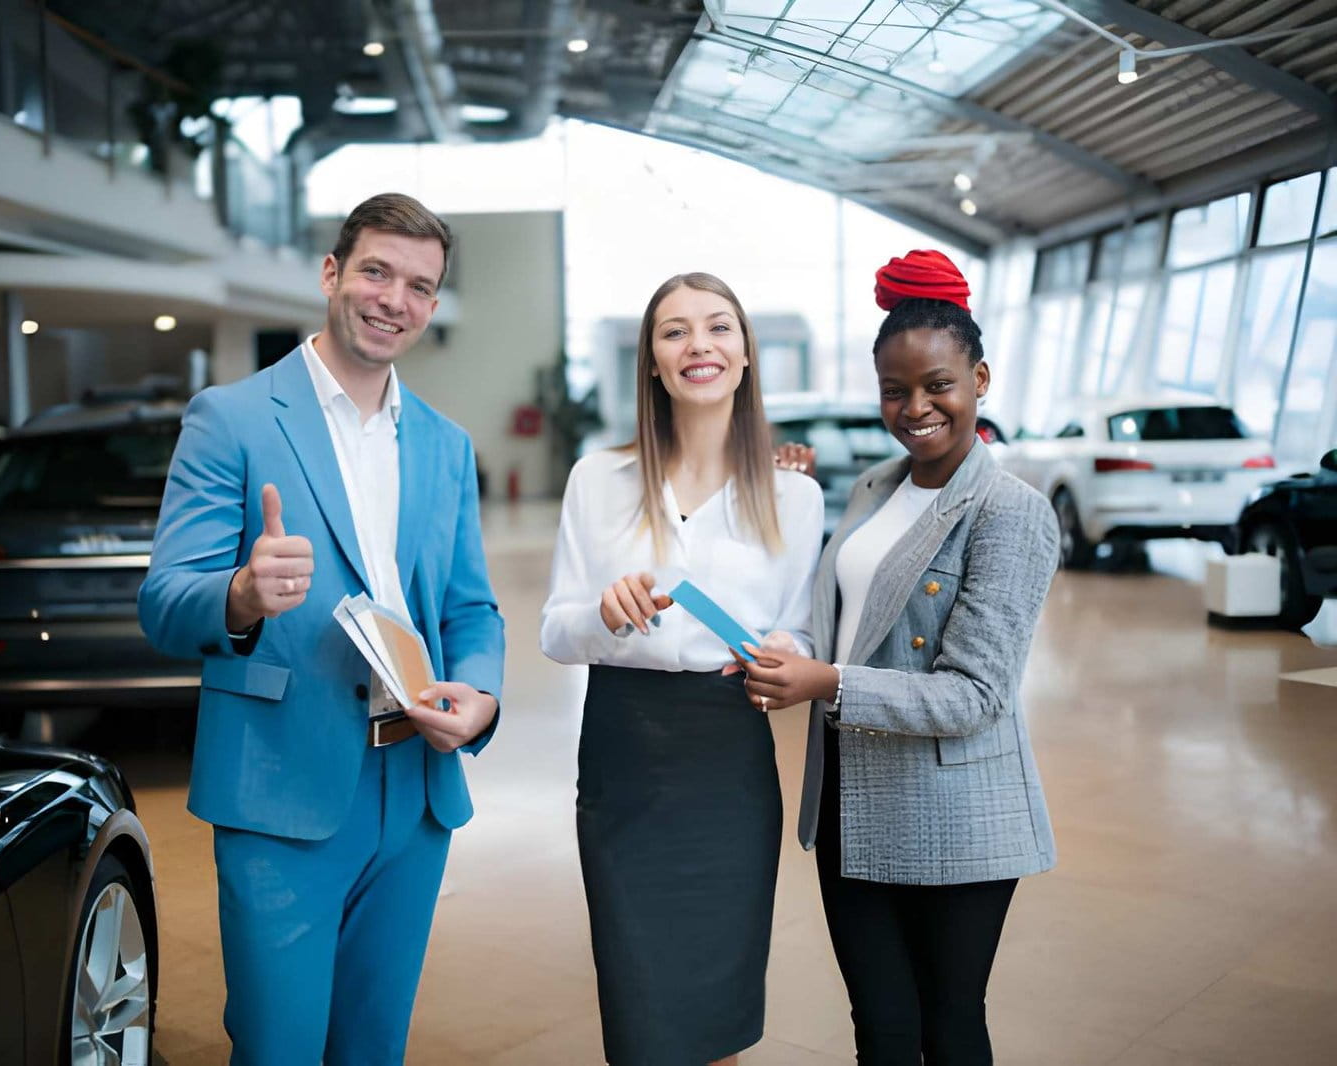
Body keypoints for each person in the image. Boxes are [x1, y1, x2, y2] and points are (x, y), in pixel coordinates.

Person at [138, 193, 504, 1066]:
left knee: (374, 1045)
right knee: (279, 1047)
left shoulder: (446, 446)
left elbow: (469, 607)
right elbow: (163, 601)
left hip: (415, 790)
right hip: (279, 785)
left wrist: (483, 696)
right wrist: (240, 592)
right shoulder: (231, 418)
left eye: (420, 286)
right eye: (376, 271)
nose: (394, 300)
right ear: (332, 273)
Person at [735, 249, 1058, 1065]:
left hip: (955, 810)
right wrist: (791, 654)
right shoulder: (873, 487)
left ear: (979, 379)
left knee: (948, 1026)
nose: (915, 407)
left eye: (938, 384)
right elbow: (832, 614)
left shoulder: (1008, 512)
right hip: (850, 800)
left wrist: (828, 683)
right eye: (894, 389)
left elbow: (973, 695)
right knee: (880, 1028)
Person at [540, 272, 825, 1066]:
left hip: (726, 761)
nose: (698, 344)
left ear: (745, 356)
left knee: (715, 1010)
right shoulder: (596, 481)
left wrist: (786, 660)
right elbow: (555, 635)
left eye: (718, 327)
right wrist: (603, 611)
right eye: (674, 331)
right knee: (640, 1016)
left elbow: (796, 628)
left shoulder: (793, 498)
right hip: (624, 756)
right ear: (653, 365)